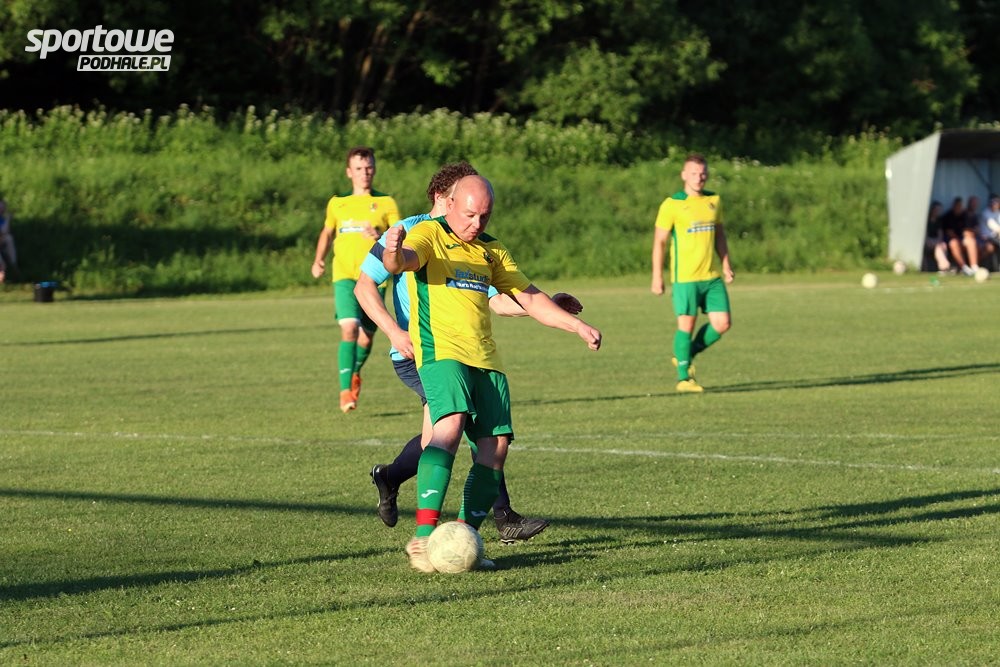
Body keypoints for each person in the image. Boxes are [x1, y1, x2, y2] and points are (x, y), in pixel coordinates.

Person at [381, 175, 602, 572]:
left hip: (485, 357)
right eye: (470, 215)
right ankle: (424, 538)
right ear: (450, 204)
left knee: (496, 448)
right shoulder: (429, 233)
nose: (476, 223)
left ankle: (462, 539)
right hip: (441, 352)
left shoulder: (491, 249)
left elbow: (529, 298)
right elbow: (403, 262)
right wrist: (393, 252)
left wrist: (576, 326)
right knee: (449, 426)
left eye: (484, 216)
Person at [311, 147, 401, 413]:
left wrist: (380, 235)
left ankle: (354, 372)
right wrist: (318, 259)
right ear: (349, 172)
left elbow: (400, 234)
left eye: (369, 167)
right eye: (359, 168)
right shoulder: (337, 203)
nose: (365, 173)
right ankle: (345, 392)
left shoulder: (386, 203)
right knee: (349, 328)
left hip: (374, 279)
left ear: (375, 169)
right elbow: (327, 232)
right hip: (344, 277)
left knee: (365, 339)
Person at [650, 153, 734, 393]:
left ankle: (685, 354)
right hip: (685, 278)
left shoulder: (714, 200)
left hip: (711, 277)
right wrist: (657, 276)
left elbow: (719, 235)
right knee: (687, 325)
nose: (699, 177)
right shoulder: (672, 204)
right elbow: (660, 242)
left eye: (703, 173)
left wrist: (726, 264)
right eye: (694, 173)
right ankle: (683, 379)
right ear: (684, 175)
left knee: (723, 323)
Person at [940, 196, 979, 276]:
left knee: (971, 240)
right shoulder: (948, 216)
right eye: (957, 206)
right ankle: (964, 268)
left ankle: (974, 267)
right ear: (954, 206)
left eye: (960, 206)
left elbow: (968, 231)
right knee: (954, 243)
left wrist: (968, 234)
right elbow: (950, 233)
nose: (959, 208)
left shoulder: (965, 215)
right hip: (952, 240)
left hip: (962, 239)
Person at [925, 200, 951, 273]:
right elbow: (925, 236)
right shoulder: (926, 220)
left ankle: (943, 267)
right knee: (938, 247)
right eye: (936, 210)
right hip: (928, 241)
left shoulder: (939, 221)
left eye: (939, 210)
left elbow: (940, 235)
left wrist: (938, 242)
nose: (937, 212)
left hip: (936, 242)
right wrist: (932, 242)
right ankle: (944, 267)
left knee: (942, 245)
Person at [976, 195, 1000, 269]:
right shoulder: (985, 213)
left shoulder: (998, 212)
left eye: (997, 202)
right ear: (990, 203)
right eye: (994, 202)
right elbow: (995, 227)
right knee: (990, 247)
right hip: (985, 238)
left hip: (995, 237)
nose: (996, 204)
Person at [0, 197, 18, 283]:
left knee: (9, 238)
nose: (2, 209)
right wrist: (8, 219)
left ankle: (13, 264)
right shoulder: (4, 219)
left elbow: (5, 232)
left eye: (3, 208)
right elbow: (3, 231)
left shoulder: (2, 219)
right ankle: (12, 266)